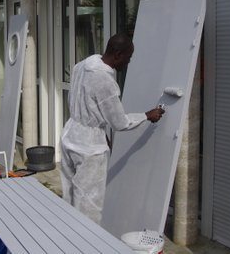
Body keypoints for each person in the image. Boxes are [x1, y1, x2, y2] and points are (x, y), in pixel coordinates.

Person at [60, 32, 164, 224]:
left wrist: (99, 131)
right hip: (89, 150)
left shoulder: (81, 66)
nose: (128, 63)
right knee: (89, 206)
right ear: (117, 54)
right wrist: (147, 116)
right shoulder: (105, 81)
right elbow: (119, 123)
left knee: (70, 196)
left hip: (70, 136)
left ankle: (69, 240)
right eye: (128, 57)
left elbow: (79, 102)